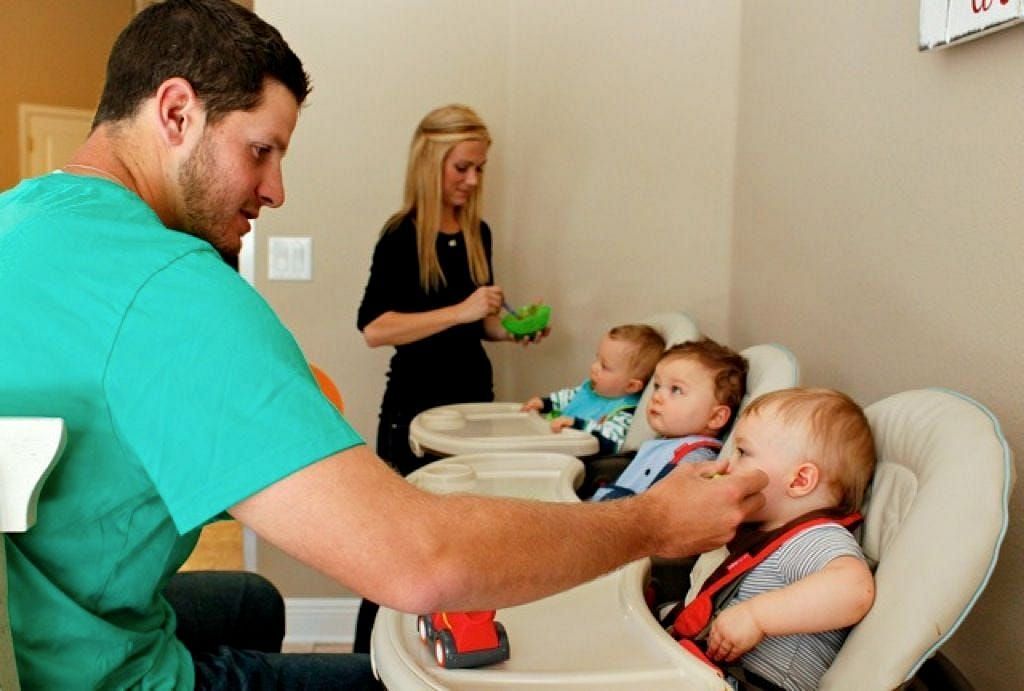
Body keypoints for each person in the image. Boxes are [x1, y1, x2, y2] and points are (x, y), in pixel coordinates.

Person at [0, 1, 768, 688]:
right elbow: (421, 559)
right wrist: (651, 523)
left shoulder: (17, 221)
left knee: (254, 598)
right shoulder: (177, 290)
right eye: (261, 150)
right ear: (176, 113)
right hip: (88, 672)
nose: (276, 189)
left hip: (32, 614)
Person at [669, 388, 877, 691]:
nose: (728, 464)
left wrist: (757, 617)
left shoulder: (811, 537)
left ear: (799, 481)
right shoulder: (764, 534)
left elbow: (854, 590)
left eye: (742, 452)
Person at [591, 337, 748, 500]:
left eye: (676, 390)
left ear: (716, 417)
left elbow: (661, 510)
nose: (657, 396)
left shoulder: (694, 459)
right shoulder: (667, 444)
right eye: (657, 386)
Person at [521, 323, 666, 455]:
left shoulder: (624, 412)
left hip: (574, 462)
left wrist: (577, 424)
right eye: (597, 359)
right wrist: (545, 403)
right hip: (553, 445)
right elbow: (570, 397)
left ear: (631, 386)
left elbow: (611, 441)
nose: (594, 367)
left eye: (604, 366)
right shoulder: (591, 389)